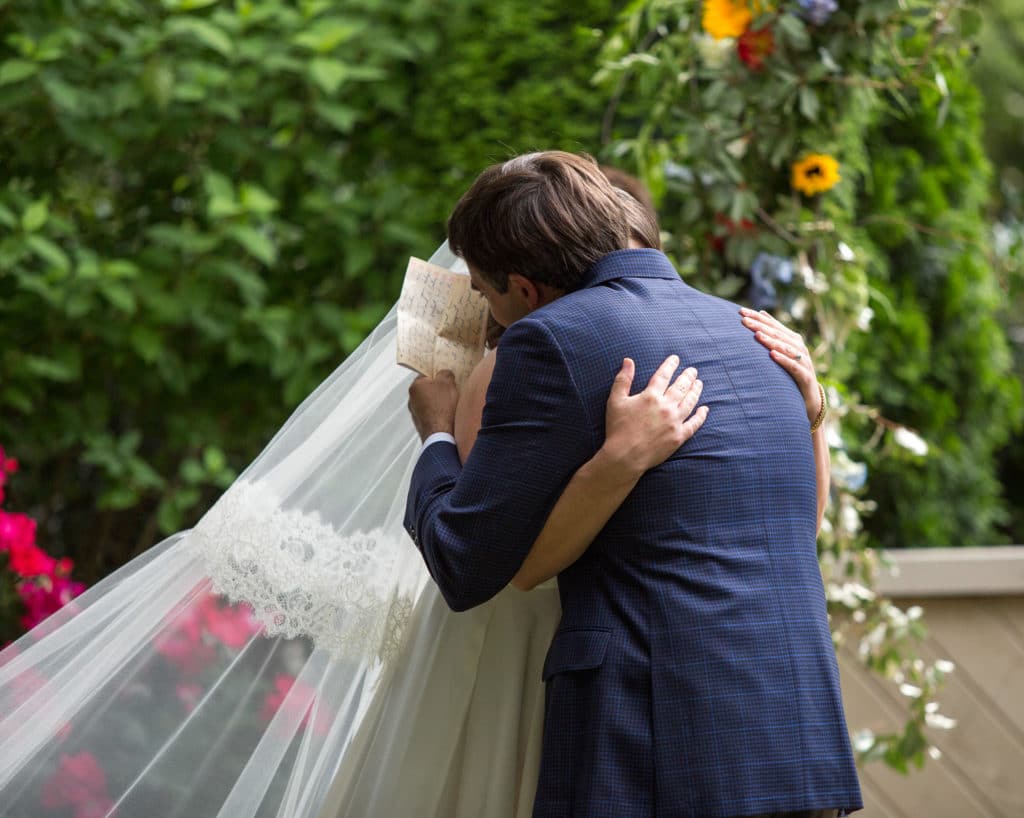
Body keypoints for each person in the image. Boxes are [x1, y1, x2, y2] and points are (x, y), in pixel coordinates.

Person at [405, 151, 861, 818]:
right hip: (798, 742)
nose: (484, 304)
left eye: (484, 288)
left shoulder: (548, 341)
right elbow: (801, 528)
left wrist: (437, 433)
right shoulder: (759, 337)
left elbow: (465, 564)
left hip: (657, 748)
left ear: (525, 291)